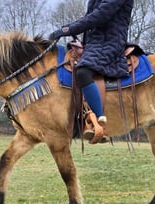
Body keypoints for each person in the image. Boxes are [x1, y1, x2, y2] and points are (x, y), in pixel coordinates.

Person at [50, 0, 134, 143]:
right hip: (93, 44)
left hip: (109, 43)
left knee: (83, 72)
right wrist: (67, 28)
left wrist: (67, 30)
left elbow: (99, 16)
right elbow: (89, 17)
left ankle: (99, 123)